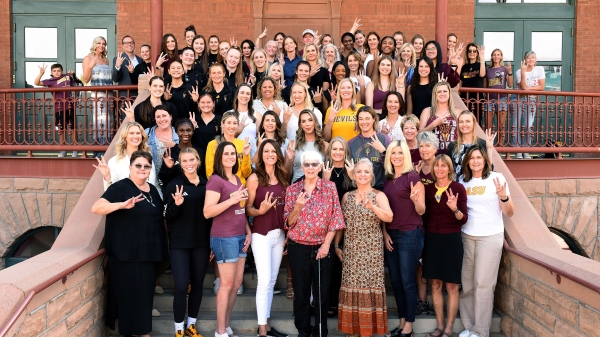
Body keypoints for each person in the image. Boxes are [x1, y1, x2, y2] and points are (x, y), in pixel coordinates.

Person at [92, 150, 168, 337]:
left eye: (146, 166)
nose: (142, 169)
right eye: (138, 165)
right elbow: (97, 207)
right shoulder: (121, 187)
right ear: (130, 168)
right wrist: (121, 205)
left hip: (148, 254)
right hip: (126, 254)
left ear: (150, 169)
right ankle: (141, 333)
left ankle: (140, 331)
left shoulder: (152, 190)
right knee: (130, 298)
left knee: (144, 298)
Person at [283, 150, 345, 337]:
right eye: (307, 164)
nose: (310, 168)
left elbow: (336, 219)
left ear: (320, 167)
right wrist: (298, 207)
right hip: (298, 247)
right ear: (302, 167)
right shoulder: (292, 190)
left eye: (314, 164)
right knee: (301, 292)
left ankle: (320, 330)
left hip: (322, 246)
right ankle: (303, 329)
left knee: (321, 292)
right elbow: (288, 222)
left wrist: (327, 245)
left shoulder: (329, 187)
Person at [458, 145, 514, 337]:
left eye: (479, 157)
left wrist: (504, 197)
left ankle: (481, 331)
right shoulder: (462, 182)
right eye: (471, 158)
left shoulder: (496, 179)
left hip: (490, 237)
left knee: (483, 284)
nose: (475, 161)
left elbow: (509, 212)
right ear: (467, 161)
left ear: (485, 160)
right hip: (467, 236)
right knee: (467, 284)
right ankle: (469, 327)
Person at [336, 159, 393, 337]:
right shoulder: (347, 196)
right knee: (351, 285)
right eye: (359, 171)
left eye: (366, 172)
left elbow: (389, 217)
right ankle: (353, 330)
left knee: (369, 286)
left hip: (371, 251)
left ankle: (368, 330)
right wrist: (337, 245)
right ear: (354, 174)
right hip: (351, 249)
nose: (362, 174)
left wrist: (373, 207)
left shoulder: (379, 195)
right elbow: (341, 224)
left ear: (372, 176)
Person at [204, 141, 252, 337]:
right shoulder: (216, 180)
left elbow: (239, 210)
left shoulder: (237, 179)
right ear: (219, 157)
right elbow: (207, 212)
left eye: (233, 153)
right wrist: (231, 199)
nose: (231, 157)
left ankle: (227, 325)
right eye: (226, 154)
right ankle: (220, 330)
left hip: (241, 236)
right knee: (226, 284)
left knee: (236, 283)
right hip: (225, 238)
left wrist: (248, 231)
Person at [164, 147, 211, 337]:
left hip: (201, 242)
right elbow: (167, 216)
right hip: (179, 243)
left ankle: (191, 325)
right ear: (180, 163)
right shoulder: (174, 185)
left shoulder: (207, 185)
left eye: (192, 160)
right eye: (184, 161)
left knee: (198, 284)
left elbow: (211, 217)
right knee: (182, 285)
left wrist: (212, 243)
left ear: (198, 161)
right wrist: (176, 205)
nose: (189, 164)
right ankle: (179, 329)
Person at [246, 139, 291, 337]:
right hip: (261, 235)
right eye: (266, 151)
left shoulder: (283, 176)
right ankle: (262, 329)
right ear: (261, 154)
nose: (270, 154)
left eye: (273, 151)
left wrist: (288, 233)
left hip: (279, 235)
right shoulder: (255, 177)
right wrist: (260, 210)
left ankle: (268, 324)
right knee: (264, 281)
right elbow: (247, 208)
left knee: (272, 281)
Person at [382, 140, 426, 337]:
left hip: (410, 234)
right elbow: (385, 210)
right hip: (391, 234)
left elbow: (421, 210)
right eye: (393, 153)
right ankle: (401, 323)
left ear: (405, 155)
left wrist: (416, 200)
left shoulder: (413, 177)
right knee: (397, 281)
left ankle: (409, 325)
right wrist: (384, 233)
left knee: (408, 281)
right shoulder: (387, 180)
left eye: (400, 153)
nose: (397, 156)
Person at [422, 154, 468, 337]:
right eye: (437, 166)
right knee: (435, 284)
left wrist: (454, 208)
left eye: (444, 166)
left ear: (449, 169)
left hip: (452, 240)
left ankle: (449, 328)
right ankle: (440, 326)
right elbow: (424, 216)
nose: (440, 169)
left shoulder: (458, 188)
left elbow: (463, 219)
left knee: (452, 286)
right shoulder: (428, 189)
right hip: (433, 239)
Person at [322, 136, 355, 317]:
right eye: (334, 149)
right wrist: (325, 179)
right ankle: (330, 303)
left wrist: (352, 178)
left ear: (345, 152)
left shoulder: (352, 169)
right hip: (328, 226)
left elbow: (363, 193)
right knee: (330, 267)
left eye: (340, 149)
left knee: (345, 267)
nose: (337, 152)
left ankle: (345, 304)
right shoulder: (324, 170)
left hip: (349, 226)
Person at [94, 121, 159, 192]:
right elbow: (110, 192)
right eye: (131, 133)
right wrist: (107, 177)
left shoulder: (148, 159)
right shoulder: (115, 161)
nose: (135, 136)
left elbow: (155, 185)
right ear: (125, 137)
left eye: (138, 133)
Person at [33, 63, 80, 158]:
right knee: (61, 129)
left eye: (58, 71)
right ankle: (63, 149)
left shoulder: (67, 77)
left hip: (70, 106)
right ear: (51, 73)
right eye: (54, 71)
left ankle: (75, 149)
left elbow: (78, 82)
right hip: (59, 108)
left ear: (62, 71)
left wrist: (73, 74)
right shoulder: (51, 81)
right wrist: (41, 73)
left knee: (72, 129)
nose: (57, 72)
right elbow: (36, 83)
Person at [348, 106, 390, 190]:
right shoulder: (351, 143)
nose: (364, 122)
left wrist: (383, 151)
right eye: (361, 119)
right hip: (358, 189)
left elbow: (392, 168)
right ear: (357, 121)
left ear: (374, 119)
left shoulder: (384, 139)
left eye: (367, 118)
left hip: (380, 189)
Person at [205, 111, 252, 185]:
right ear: (222, 124)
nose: (232, 126)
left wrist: (245, 156)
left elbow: (246, 174)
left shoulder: (243, 144)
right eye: (229, 123)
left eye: (235, 123)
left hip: (239, 186)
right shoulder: (212, 144)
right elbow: (209, 172)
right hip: (221, 187)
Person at [514, 50, 545, 159]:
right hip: (518, 99)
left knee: (528, 125)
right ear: (525, 60)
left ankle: (526, 150)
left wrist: (529, 88)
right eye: (528, 58)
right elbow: (523, 87)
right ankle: (517, 151)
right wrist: (523, 72)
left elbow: (541, 87)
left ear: (535, 60)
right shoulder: (519, 71)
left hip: (531, 99)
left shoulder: (539, 69)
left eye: (533, 58)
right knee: (516, 125)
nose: (530, 60)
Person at [447, 111, 495, 181]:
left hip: (476, 187)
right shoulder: (452, 146)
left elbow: (490, 169)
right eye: (461, 122)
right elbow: (448, 170)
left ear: (474, 123)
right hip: (457, 188)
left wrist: (489, 149)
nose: (464, 124)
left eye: (467, 121)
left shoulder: (482, 144)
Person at [81, 36, 112, 148]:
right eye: (99, 43)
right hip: (97, 94)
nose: (101, 46)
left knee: (109, 121)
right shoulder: (88, 58)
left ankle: (108, 147)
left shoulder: (106, 60)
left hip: (109, 94)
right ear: (94, 44)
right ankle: (98, 148)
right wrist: (90, 66)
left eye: (103, 44)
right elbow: (85, 79)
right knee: (99, 121)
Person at [161, 118, 207, 186]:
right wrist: (170, 168)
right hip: (177, 192)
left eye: (188, 130)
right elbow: (163, 179)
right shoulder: (170, 152)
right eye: (181, 130)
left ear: (193, 131)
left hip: (197, 190)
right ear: (176, 132)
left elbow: (204, 175)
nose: (185, 134)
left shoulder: (200, 152)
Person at [419, 81, 460, 155]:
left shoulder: (457, 111)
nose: (442, 94)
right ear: (435, 95)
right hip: (433, 154)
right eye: (439, 92)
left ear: (449, 94)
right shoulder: (427, 111)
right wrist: (434, 124)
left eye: (445, 91)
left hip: (454, 153)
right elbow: (419, 134)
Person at [291, 109, 328, 183]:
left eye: (310, 120)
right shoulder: (293, 144)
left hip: (318, 186)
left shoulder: (325, 145)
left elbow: (327, 171)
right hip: (297, 186)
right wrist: (289, 160)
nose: (307, 124)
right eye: (303, 121)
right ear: (301, 125)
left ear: (314, 122)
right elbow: (287, 172)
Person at [485, 49, 513, 144]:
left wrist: (509, 72)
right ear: (492, 57)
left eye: (498, 55)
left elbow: (510, 84)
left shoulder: (504, 69)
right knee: (488, 126)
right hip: (489, 99)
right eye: (494, 55)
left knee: (501, 126)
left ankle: (500, 147)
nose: (496, 56)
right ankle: (489, 146)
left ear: (501, 56)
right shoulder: (488, 70)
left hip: (502, 99)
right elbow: (485, 86)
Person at [145, 105, 179, 178]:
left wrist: (175, 146)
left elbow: (186, 154)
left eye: (164, 116)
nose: (161, 119)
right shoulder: (147, 133)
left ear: (170, 116)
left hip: (171, 178)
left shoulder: (179, 134)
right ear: (155, 119)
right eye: (158, 117)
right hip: (150, 177)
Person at [460, 43, 486, 123]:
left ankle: (476, 136)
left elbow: (482, 74)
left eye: (474, 51)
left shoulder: (480, 65)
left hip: (477, 98)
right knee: (465, 119)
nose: (472, 52)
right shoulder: (464, 67)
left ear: (477, 53)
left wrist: (482, 60)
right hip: (465, 97)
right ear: (467, 53)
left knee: (476, 120)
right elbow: (461, 82)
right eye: (470, 51)